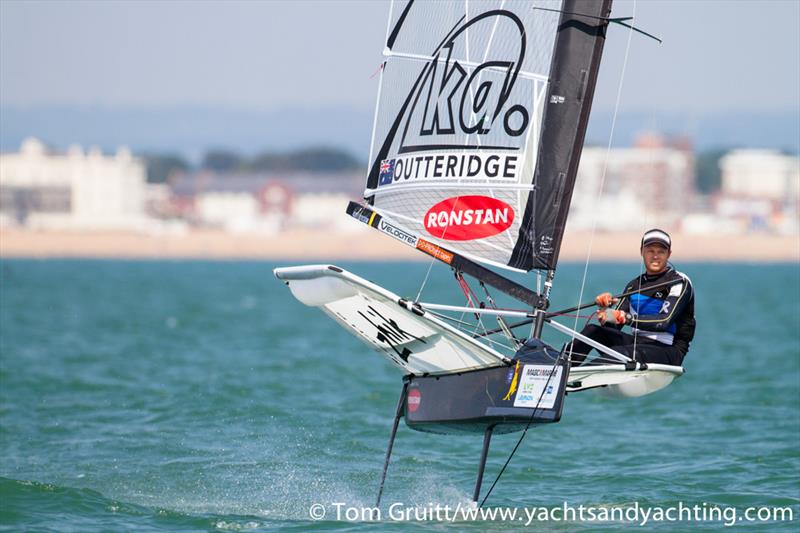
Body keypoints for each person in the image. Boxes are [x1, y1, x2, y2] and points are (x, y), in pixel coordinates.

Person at [567, 228, 695, 367]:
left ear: (668, 254)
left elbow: (663, 321)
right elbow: (613, 328)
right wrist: (607, 311)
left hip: (669, 349)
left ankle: (578, 377)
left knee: (618, 353)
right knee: (592, 331)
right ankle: (562, 366)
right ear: (642, 252)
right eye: (650, 251)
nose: (655, 256)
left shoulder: (678, 282)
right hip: (637, 344)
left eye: (661, 252)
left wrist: (625, 317)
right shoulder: (633, 286)